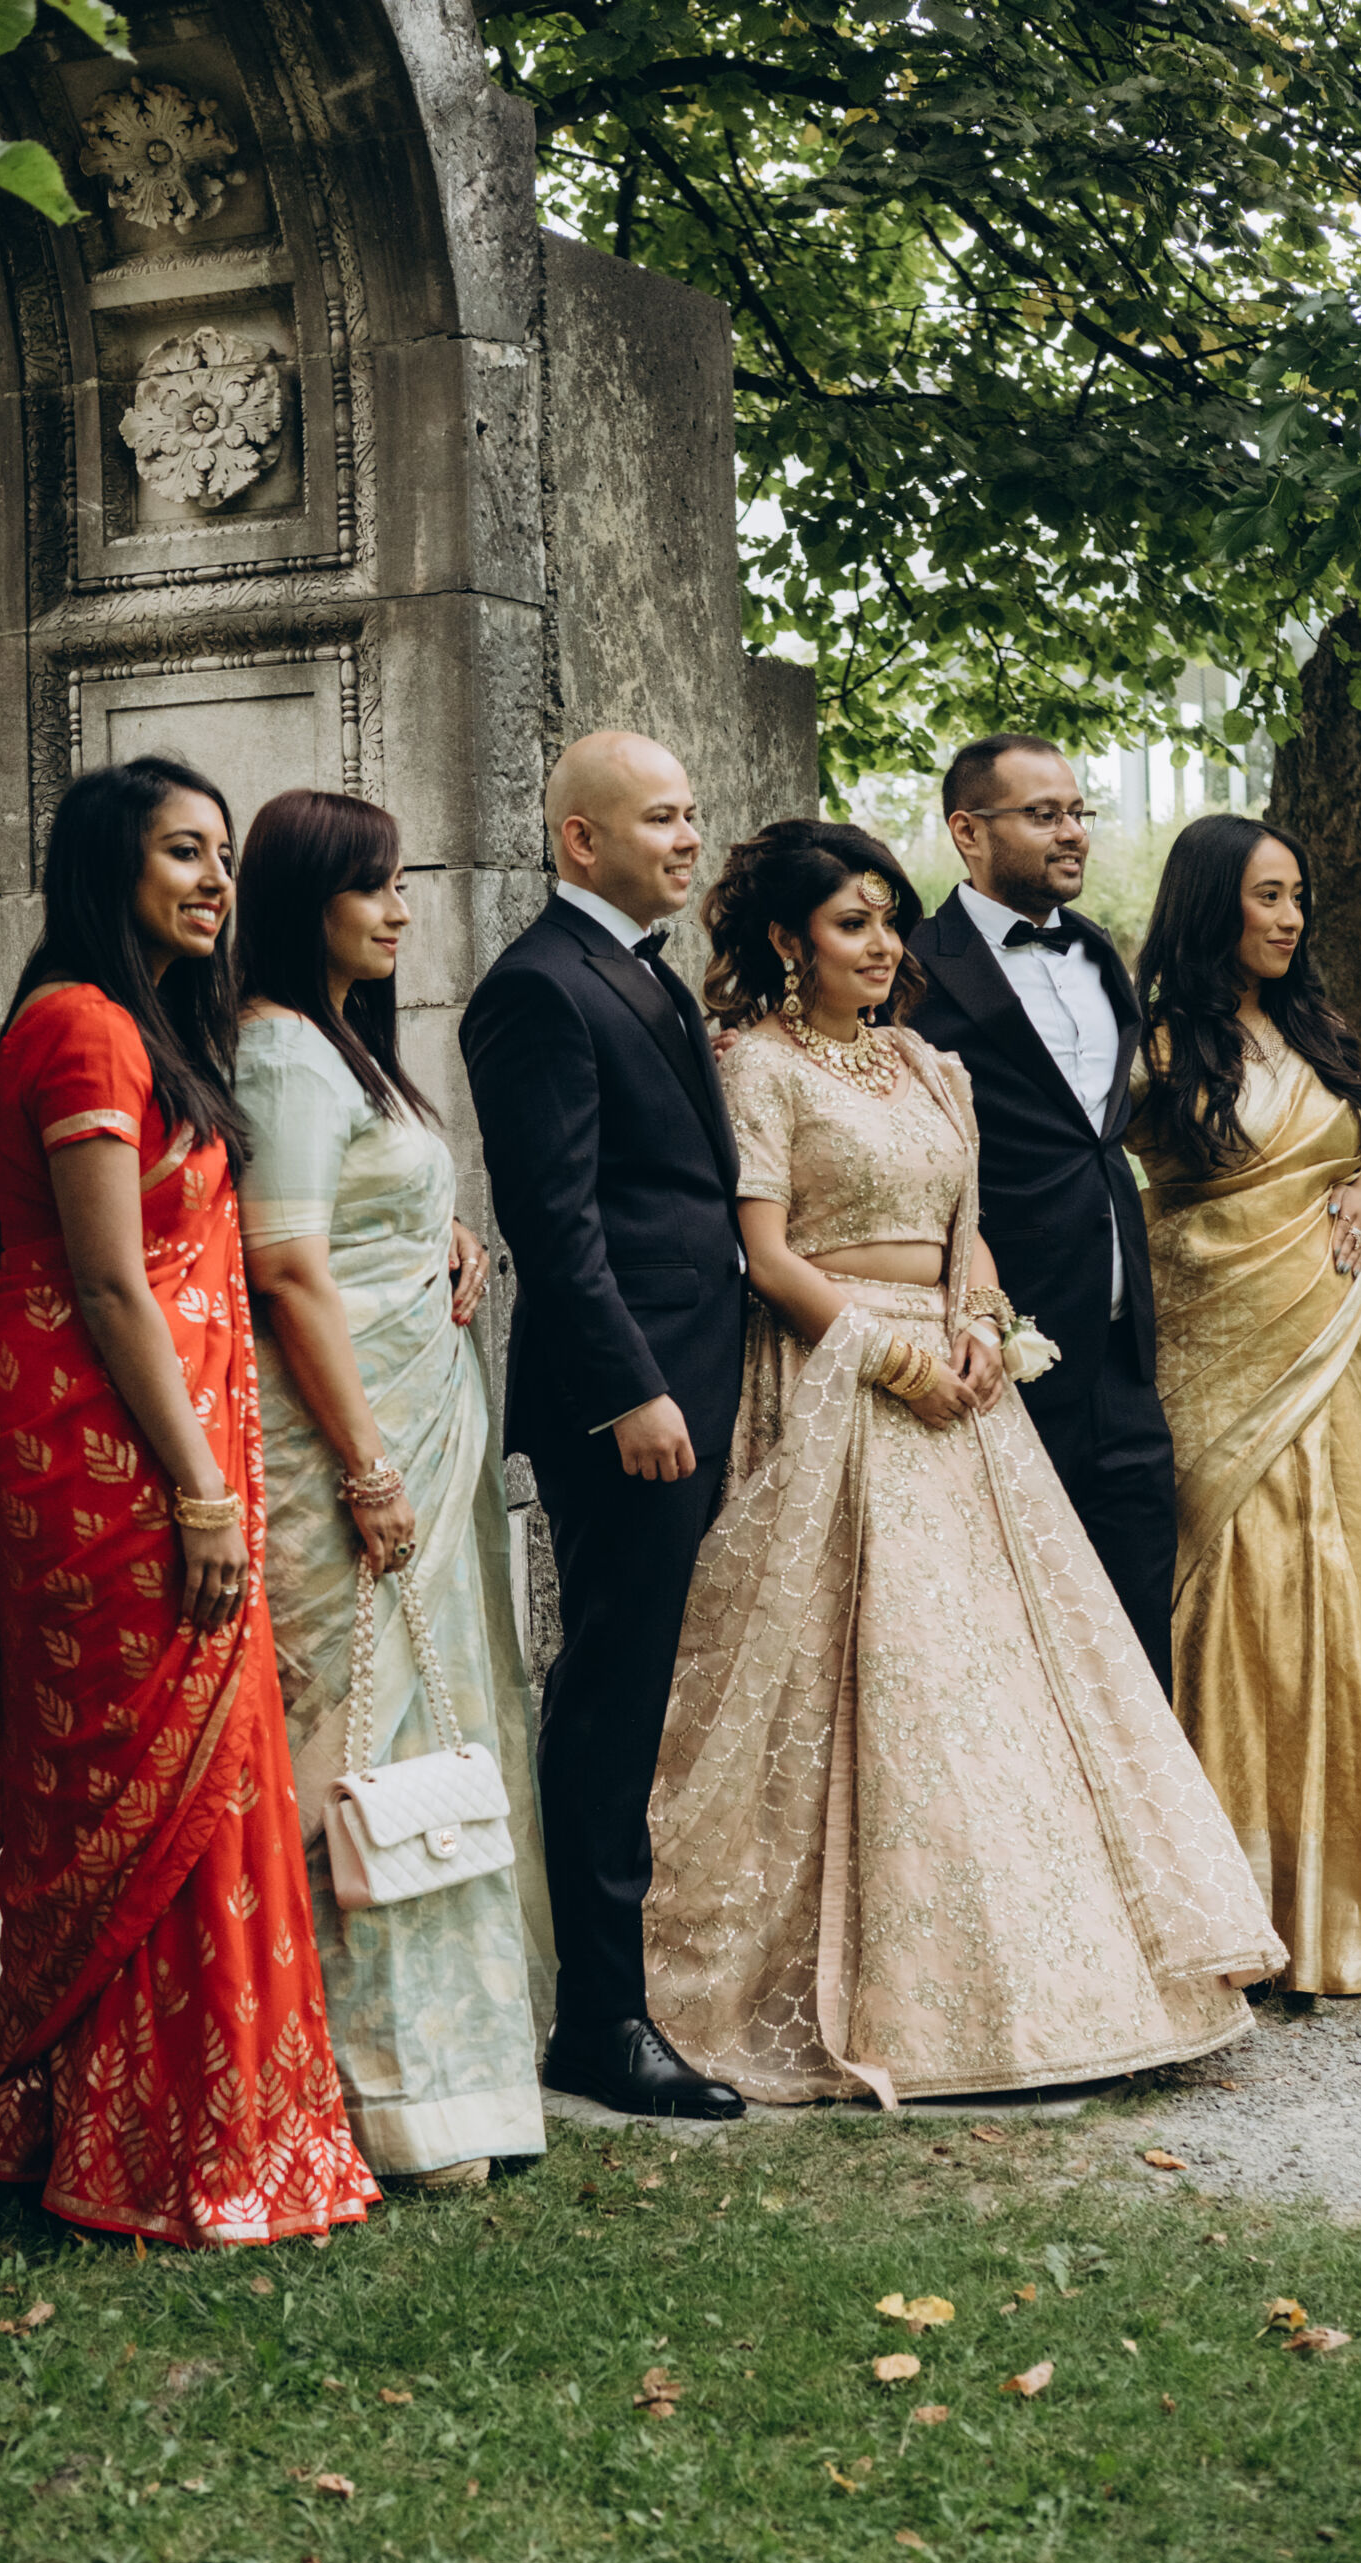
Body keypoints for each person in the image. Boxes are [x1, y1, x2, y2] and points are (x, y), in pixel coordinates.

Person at [642, 819, 1285, 2105]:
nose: (884, 945)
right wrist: (888, 1358)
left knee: (1003, 1684)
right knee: (877, 1678)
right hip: (836, 1381)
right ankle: (900, 1992)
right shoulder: (757, 1067)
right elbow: (765, 1257)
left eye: (889, 921)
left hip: (964, 1394)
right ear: (788, 942)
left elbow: (967, 1232)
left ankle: (1060, 1984)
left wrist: (984, 1325)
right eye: (853, 924)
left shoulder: (930, 1067)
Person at [0, 758, 378, 2247]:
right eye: (184, 852)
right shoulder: (81, 1029)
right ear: (109, 867)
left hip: (136, 1445)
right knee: (159, 1775)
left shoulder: (137, 1027)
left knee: (203, 1768)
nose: (216, 881)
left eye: (224, 856)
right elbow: (112, 1282)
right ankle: (161, 2145)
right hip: (104, 1464)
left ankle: (143, 2129)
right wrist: (200, 1497)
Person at [231, 789, 555, 2188]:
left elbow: (358, 1211)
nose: (401, 912)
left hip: (416, 1419)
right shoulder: (279, 1050)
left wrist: (447, 1233)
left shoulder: (338, 1048)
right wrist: (366, 1470)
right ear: (307, 900)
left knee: (432, 1733)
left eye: (405, 884)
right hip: (343, 1448)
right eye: (374, 887)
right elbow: (286, 1265)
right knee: (357, 1742)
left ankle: (451, 2080)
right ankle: (362, 2090)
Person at [460, 733, 747, 2121]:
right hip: (627, 1397)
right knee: (610, 1698)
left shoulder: (643, 969)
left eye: (693, 815)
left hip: (693, 1374)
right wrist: (633, 1389)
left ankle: (620, 1999)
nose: (688, 839)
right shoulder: (537, 986)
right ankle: (602, 2024)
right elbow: (556, 1224)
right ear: (581, 839)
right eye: (660, 819)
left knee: (633, 1690)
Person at [1128, 816, 1361, 1995]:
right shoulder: (1156, 1050)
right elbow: (1104, 1189)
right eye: (1268, 895)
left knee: (1335, 1597)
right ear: (1212, 901)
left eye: (1299, 896)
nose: (1291, 917)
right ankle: (1221, 1904)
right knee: (1242, 1602)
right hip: (1218, 1362)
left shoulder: (1316, 1029)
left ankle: (1335, 1911)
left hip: (1336, 1361)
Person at [908, 736, 1178, 1692]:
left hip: (1124, 1347)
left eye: (1078, 812)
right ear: (968, 831)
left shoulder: (1098, 949)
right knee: (1016, 1628)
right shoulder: (913, 967)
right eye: (1044, 814)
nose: (1073, 832)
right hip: (1001, 1346)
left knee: (1141, 1617)